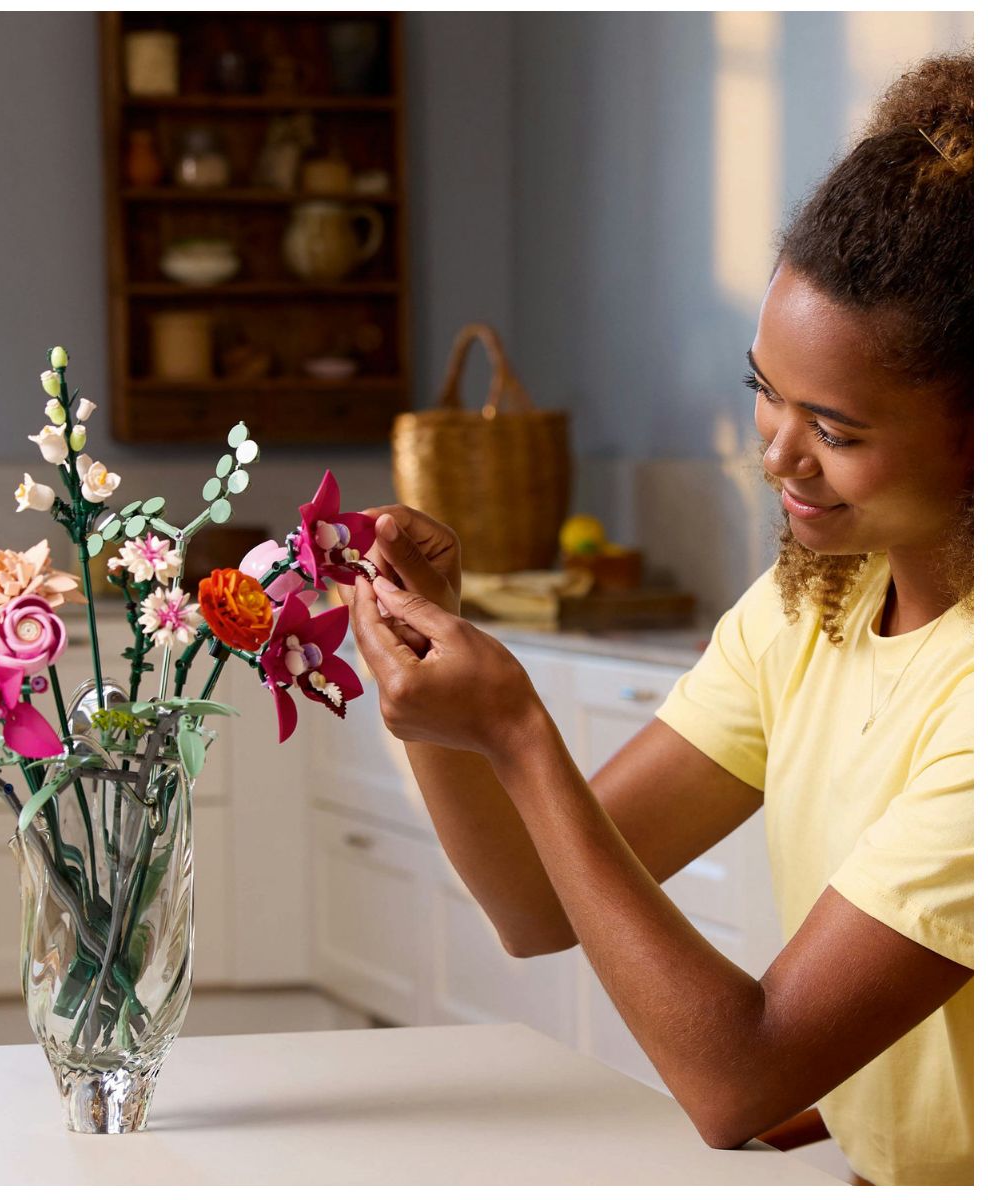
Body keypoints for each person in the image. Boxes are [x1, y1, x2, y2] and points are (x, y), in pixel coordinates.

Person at [346, 53, 972, 1187]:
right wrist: (430, 682)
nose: (777, 454)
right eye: (764, 392)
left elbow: (738, 1080)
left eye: (835, 429)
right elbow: (535, 905)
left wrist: (519, 733)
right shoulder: (812, 606)